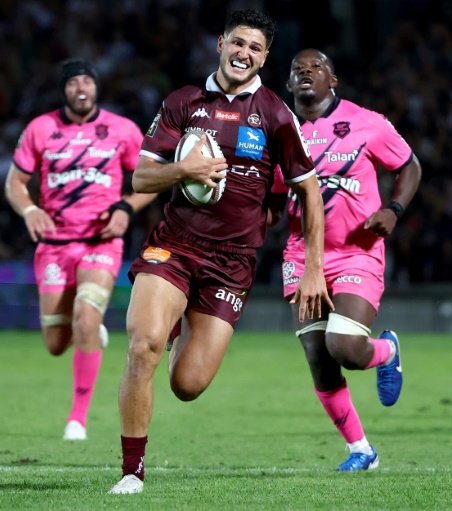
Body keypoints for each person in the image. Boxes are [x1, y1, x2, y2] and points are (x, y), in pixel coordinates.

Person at [108, 10, 333, 495]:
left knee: (187, 385)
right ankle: (132, 472)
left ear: (265, 57)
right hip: (175, 245)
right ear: (220, 44)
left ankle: (177, 325)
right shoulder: (183, 103)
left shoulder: (276, 114)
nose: (243, 53)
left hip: (231, 265)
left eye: (254, 48)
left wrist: (313, 268)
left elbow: (309, 191)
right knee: (142, 344)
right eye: (237, 43)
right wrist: (184, 171)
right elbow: (142, 178)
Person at [272, 48, 422, 471]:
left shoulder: (367, 123)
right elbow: (272, 199)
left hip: (357, 251)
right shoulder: (279, 132)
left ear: (332, 80)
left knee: (345, 347)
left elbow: (409, 165)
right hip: (303, 255)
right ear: (288, 84)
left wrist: (394, 210)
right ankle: (361, 450)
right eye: (297, 69)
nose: (305, 72)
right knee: (319, 358)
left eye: (315, 67)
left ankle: (386, 353)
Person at [4, 59, 156, 441]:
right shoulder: (41, 129)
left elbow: (150, 181)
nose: (81, 87)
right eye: (73, 82)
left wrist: (124, 208)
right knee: (56, 344)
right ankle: (86, 332)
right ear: (65, 90)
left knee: (86, 318)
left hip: (99, 242)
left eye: (87, 80)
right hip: (54, 246)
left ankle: (78, 418)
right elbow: (15, 184)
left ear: (96, 87)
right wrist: (30, 209)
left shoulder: (122, 130)